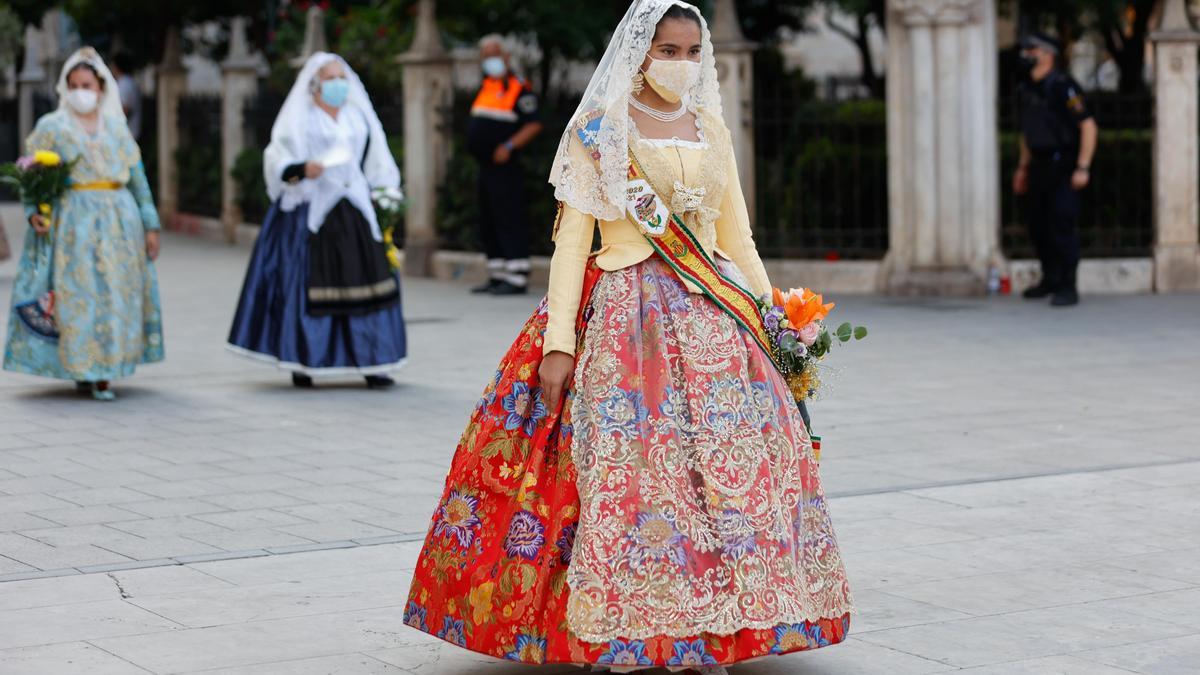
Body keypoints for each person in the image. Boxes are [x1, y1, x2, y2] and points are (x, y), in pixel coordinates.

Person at [403, 1, 853, 669]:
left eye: (692, 50)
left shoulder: (711, 129)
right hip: (626, 317)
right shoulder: (599, 130)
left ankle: (715, 625)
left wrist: (773, 317)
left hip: (716, 317)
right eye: (668, 50)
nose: (682, 63)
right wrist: (559, 341)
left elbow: (737, 238)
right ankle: (633, 630)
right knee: (634, 478)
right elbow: (570, 243)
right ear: (640, 53)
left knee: (728, 480)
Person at [226, 52, 407, 389]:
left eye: (342, 77)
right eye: (330, 78)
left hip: (353, 206)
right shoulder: (301, 118)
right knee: (308, 281)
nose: (339, 84)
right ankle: (305, 359)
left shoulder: (356, 115)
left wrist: (385, 194)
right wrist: (301, 169)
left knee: (368, 280)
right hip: (313, 206)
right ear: (315, 84)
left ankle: (373, 359)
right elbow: (277, 156)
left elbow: (376, 156)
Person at [3, 47, 164, 401]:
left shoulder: (117, 128)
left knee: (114, 297)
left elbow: (138, 178)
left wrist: (150, 224)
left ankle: (106, 370)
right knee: (79, 297)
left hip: (119, 225)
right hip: (73, 224)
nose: (80, 91)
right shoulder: (52, 127)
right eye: (74, 84)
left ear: (101, 87)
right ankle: (86, 366)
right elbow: (31, 174)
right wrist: (35, 211)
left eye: (87, 84)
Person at [1013, 31, 1097, 307]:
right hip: (1038, 164)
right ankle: (1050, 278)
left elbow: (1088, 126)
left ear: (1048, 55)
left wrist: (1083, 167)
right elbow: (1027, 133)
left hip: (1064, 164)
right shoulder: (1026, 88)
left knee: (1062, 222)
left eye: (1032, 50)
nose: (1027, 55)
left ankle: (1068, 285)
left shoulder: (1064, 86)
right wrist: (1023, 168)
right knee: (1039, 225)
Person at [466, 35, 543, 296]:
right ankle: (497, 273)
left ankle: (517, 275)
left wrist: (509, 146)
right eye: (485, 55)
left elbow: (534, 123)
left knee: (509, 217)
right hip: (485, 166)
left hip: (506, 166)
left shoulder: (519, 87)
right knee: (488, 218)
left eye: (494, 54)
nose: (490, 60)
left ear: (506, 57)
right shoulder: (486, 86)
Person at [109, 51, 142, 140]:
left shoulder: (124, 84)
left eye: (112, 65)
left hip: (127, 136)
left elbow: (125, 109)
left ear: (116, 66)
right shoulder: (129, 82)